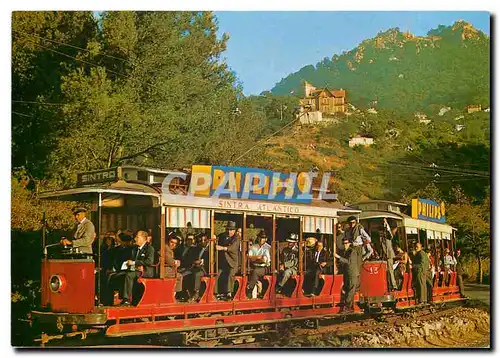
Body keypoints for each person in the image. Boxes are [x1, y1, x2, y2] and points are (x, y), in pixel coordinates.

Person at [343, 216, 372, 313]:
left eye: (353, 222)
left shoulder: (360, 229)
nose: (352, 224)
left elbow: (368, 239)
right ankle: (352, 301)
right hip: (350, 250)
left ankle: (349, 303)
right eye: (350, 223)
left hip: (357, 249)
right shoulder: (347, 230)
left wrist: (361, 246)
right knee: (350, 277)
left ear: (356, 222)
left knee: (354, 277)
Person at [120, 230, 155, 305]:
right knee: (122, 274)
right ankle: (122, 297)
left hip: (146, 271)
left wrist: (134, 263)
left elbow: (149, 261)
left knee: (129, 275)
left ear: (143, 238)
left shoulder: (149, 248)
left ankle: (127, 299)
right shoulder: (135, 248)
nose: (135, 239)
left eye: (137, 237)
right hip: (135, 269)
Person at [215, 221, 240, 300]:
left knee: (230, 275)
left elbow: (232, 248)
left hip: (233, 263)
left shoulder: (236, 238)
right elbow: (216, 238)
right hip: (224, 263)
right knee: (217, 273)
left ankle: (229, 293)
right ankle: (216, 293)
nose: (229, 231)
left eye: (231, 230)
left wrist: (221, 248)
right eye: (228, 229)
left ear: (234, 231)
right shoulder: (222, 235)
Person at [181, 233, 209, 302]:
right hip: (195, 267)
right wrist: (194, 262)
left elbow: (211, 260)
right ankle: (186, 293)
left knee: (197, 274)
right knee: (183, 274)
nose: (203, 242)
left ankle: (196, 293)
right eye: (201, 240)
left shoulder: (210, 248)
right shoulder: (198, 248)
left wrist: (202, 261)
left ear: (207, 240)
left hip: (205, 269)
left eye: (204, 240)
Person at [246, 230, 271, 298]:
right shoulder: (254, 246)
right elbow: (248, 257)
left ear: (266, 239)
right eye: (260, 237)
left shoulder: (268, 247)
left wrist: (254, 259)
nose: (261, 239)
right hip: (254, 266)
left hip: (265, 268)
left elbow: (264, 260)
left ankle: (249, 289)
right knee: (245, 271)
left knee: (255, 272)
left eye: (262, 238)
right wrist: (258, 258)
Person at [379, 218, 397, 291]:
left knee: (390, 270)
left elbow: (389, 234)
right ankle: (388, 285)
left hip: (389, 254)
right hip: (384, 254)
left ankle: (393, 286)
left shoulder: (388, 235)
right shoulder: (382, 237)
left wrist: (386, 224)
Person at [334, 237, 352, 306]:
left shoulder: (351, 251)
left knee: (347, 286)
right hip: (343, 271)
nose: (345, 245)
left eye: (346, 243)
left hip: (348, 271)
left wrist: (338, 257)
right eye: (344, 243)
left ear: (349, 243)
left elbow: (348, 261)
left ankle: (347, 303)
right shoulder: (343, 251)